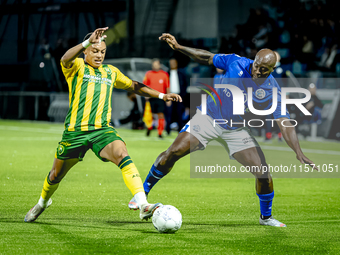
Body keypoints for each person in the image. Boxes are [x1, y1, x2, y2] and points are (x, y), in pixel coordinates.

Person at [128, 33, 318, 227]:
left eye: (264, 70)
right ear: (254, 61)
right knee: (173, 152)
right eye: (256, 66)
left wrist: (298, 151)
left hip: (236, 130)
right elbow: (206, 56)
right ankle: (141, 195)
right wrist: (179, 47)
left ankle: (266, 217)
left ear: (272, 70)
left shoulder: (273, 90)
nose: (257, 72)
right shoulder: (236, 62)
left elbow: (284, 122)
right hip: (209, 117)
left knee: (263, 173)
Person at [24, 27, 182, 223]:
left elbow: (134, 85)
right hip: (75, 132)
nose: (99, 56)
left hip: (102, 131)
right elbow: (65, 58)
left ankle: (143, 205)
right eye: (95, 51)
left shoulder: (110, 72)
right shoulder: (77, 67)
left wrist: (161, 95)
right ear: (86, 51)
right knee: (55, 175)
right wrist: (86, 41)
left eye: (102, 52)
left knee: (122, 153)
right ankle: (42, 202)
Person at [143, 59, 170, 138]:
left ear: (159, 65)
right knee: (150, 115)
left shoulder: (164, 74)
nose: (155, 66)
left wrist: (168, 98)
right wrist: (146, 95)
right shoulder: (148, 74)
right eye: (153, 64)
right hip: (151, 97)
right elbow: (145, 85)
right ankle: (149, 128)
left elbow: (167, 87)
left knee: (160, 115)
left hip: (161, 97)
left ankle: (160, 132)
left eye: (156, 64)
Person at [166, 58, 188, 134]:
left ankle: (180, 130)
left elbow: (185, 85)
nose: (172, 64)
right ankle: (167, 130)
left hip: (179, 96)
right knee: (169, 113)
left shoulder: (181, 74)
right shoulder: (167, 74)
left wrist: (183, 95)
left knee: (179, 113)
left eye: (174, 63)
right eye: (171, 63)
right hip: (170, 96)